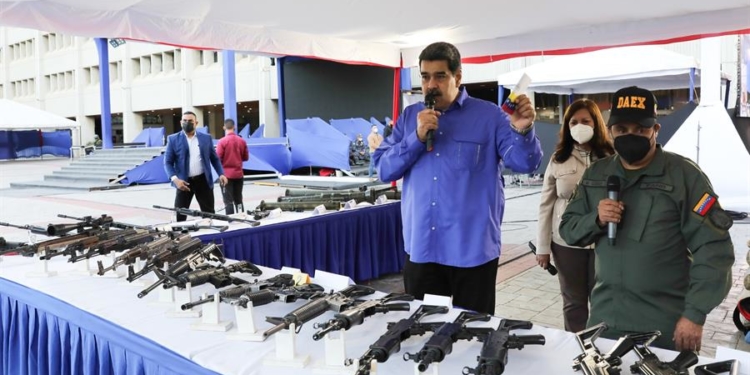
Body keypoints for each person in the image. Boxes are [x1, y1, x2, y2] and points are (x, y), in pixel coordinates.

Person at [559, 86, 734, 350]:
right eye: (622, 130)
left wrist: (694, 314)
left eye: (640, 130)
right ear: (610, 131)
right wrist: (595, 219)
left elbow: (714, 250)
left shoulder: (684, 176)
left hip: (664, 324)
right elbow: (568, 229)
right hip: (606, 319)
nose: (631, 136)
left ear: (655, 129)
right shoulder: (597, 174)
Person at [373, 42, 542, 315]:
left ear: (458, 77)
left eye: (440, 76)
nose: (431, 84)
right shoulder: (409, 118)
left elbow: (525, 164)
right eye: (425, 76)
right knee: (424, 332)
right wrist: (415, 138)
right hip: (423, 250)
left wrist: (523, 132)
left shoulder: (490, 117)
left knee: (475, 333)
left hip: (472, 252)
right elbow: (383, 169)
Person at [535, 99, 615, 333]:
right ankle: (576, 347)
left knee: (602, 300)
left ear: (596, 124)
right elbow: (545, 204)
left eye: (585, 121)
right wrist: (543, 248)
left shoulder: (611, 156)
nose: (579, 126)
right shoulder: (558, 158)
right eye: (574, 122)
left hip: (603, 241)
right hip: (566, 243)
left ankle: (603, 349)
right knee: (573, 302)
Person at [164, 111, 228, 222]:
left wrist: (221, 173)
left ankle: (211, 235)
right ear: (180, 122)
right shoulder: (173, 139)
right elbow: (167, 162)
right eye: (184, 120)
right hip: (183, 182)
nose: (187, 123)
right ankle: (180, 236)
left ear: (196, 123)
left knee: (209, 214)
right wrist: (175, 179)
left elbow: (214, 159)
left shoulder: (206, 138)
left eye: (190, 121)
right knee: (180, 214)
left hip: (203, 180)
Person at [216, 119, 249, 215]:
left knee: (228, 201)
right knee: (238, 199)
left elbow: (218, 158)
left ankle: (231, 222)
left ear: (224, 127)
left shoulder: (222, 142)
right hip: (239, 175)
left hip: (225, 176)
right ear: (234, 127)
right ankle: (241, 218)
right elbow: (246, 157)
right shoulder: (242, 141)